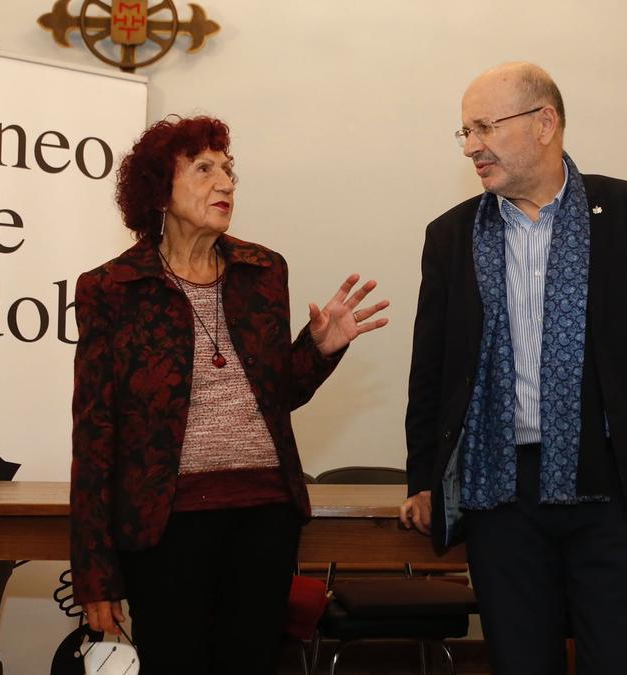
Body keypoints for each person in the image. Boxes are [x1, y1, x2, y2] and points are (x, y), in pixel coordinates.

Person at [400, 62, 627, 674]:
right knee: (517, 662)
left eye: (485, 126)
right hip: (499, 495)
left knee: (616, 662)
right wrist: (424, 479)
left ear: (545, 123)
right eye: (465, 132)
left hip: (612, 492)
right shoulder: (451, 235)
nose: (472, 146)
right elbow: (431, 368)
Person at [70, 115, 388, 674]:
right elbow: (95, 436)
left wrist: (318, 348)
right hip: (165, 524)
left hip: (264, 514)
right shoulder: (112, 288)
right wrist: (96, 577)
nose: (226, 184)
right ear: (158, 191)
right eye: (204, 169)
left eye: (229, 171)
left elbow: (277, 395)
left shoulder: (263, 271)